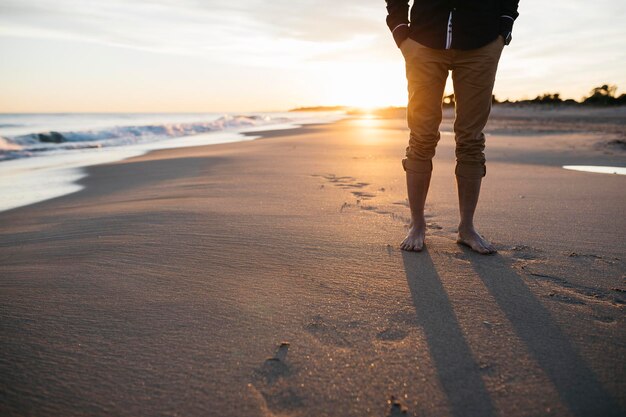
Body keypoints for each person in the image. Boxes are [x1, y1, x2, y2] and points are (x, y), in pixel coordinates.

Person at [385, 0, 519, 254]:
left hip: (482, 41)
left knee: (471, 138)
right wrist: (400, 30)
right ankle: (417, 225)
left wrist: (505, 28)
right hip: (423, 41)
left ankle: (466, 228)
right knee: (421, 135)